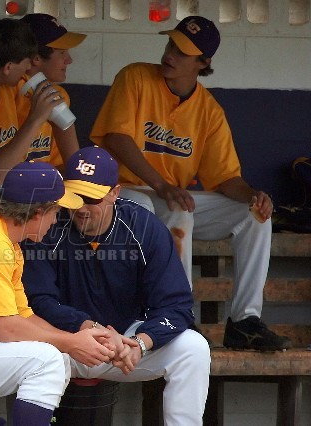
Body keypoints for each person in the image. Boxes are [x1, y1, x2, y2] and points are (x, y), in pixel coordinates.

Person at [89, 16, 291, 351]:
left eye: (183, 52)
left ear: (203, 62)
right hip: (124, 193)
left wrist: (253, 195)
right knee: (178, 211)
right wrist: (162, 185)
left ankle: (245, 321)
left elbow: (225, 178)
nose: (171, 54)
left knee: (254, 217)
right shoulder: (136, 76)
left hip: (167, 197)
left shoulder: (209, 111)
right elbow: (116, 138)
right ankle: (178, 315)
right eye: (172, 44)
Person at [21, 147, 211, 425]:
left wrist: (140, 344)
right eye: (75, 197)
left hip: (124, 344)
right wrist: (90, 328)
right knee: (28, 352)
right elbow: (38, 300)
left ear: (115, 193)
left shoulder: (144, 228)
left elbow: (176, 305)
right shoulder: (48, 224)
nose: (81, 209)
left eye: (92, 198)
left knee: (193, 348)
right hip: (63, 344)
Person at [0, 161, 121, 426]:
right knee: (46, 359)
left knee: (56, 356)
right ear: (38, 212)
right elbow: (7, 329)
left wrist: (74, 340)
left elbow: (24, 317)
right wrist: (70, 342)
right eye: (55, 212)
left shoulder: (5, 240)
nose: (56, 220)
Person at [0, 17, 66, 186]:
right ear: (8, 67)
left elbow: (65, 121)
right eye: (26, 63)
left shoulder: (9, 82)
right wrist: (35, 119)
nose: (29, 69)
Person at [16, 13, 86, 171]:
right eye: (62, 53)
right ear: (36, 58)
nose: (69, 60)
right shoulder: (5, 93)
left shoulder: (58, 95)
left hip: (45, 182)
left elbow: (67, 165)